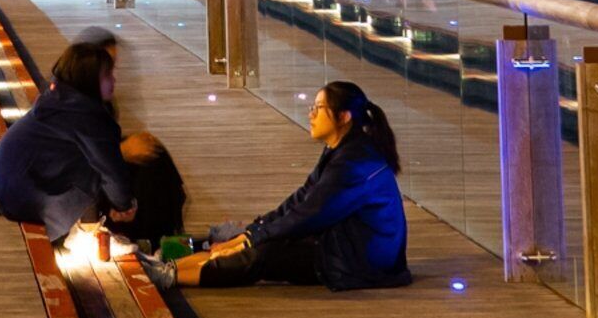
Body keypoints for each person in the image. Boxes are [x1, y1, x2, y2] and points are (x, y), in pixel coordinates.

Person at [163, 80, 412, 291]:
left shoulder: (354, 163)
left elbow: (308, 216)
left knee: (264, 255)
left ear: (344, 117)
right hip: (343, 246)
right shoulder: (343, 150)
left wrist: (250, 241)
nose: (311, 114)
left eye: (319, 108)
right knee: (247, 241)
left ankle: (168, 276)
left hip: (360, 263)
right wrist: (250, 233)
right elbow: (300, 200)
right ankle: (169, 264)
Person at [0, 37, 138, 242]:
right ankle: (124, 239)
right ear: (89, 79)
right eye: (108, 75)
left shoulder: (56, 99)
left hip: (10, 191)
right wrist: (125, 205)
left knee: (103, 163)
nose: (114, 81)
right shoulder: (87, 116)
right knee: (108, 171)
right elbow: (111, 170)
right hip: (28, 202)